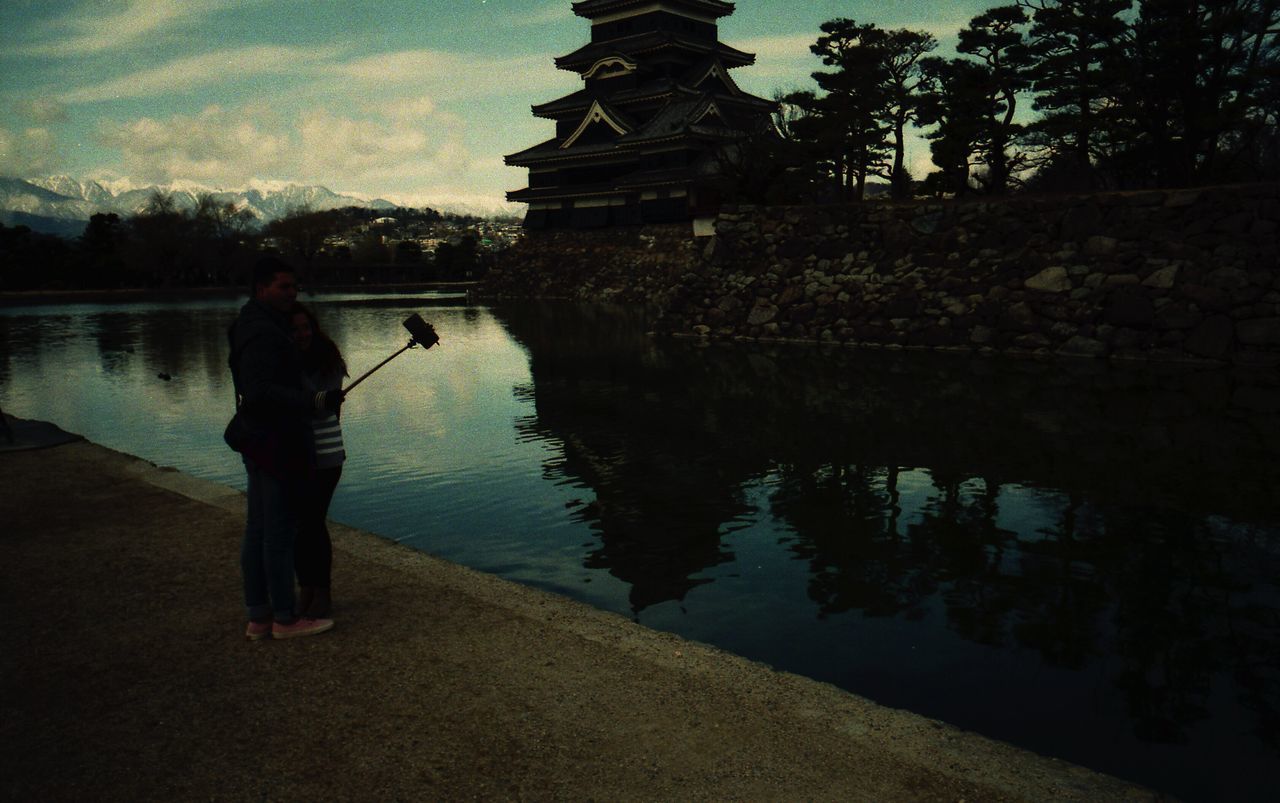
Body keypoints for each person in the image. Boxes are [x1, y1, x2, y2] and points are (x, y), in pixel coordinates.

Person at [227, 256, 341, 640]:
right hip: (273, 441)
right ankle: (285, 619)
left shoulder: (253, 324)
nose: (292, 293)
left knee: (258, 530)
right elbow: (259, 392)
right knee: (276, 533)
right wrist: (310, 402)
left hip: (259, 440)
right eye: (284, 287)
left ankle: (259, 617)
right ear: (262, 289)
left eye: (294, 287)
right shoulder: (263, 333)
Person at [289, 302, 348, 619]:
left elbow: (320, 404)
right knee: (301, 524)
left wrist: (313, 399)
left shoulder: (328, 361)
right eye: (295, 329)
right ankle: (307, 588)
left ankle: (320, 591)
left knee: (312, 521)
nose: (302, 334)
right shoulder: (283, 362)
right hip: (296, 453)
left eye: (305, 327)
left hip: (325, 452)